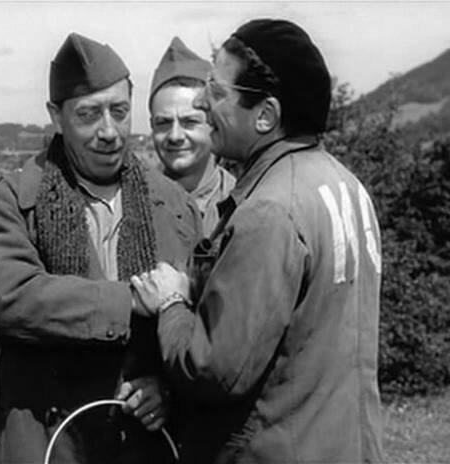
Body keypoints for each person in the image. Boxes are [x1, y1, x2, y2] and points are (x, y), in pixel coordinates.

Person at [130, 19, 384, 463]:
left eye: (216, 90)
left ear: (265, 115)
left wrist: (171, 303)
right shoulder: (346, 184)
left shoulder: (268, 211)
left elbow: (214, 369)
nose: (202, 101)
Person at [0, 32, 201, 463]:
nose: (109, 132)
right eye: (88, 114)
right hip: (47, 439)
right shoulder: (11, 200)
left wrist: (165, 388)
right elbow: (11, 298)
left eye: (119, 111)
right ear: (56, 118)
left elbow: (198, 321)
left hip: (141, 444)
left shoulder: (173, 204)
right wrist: (130, 299)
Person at [149, 37, 235, 236]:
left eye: (189, 122)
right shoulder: (133, 206)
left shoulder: (242, 204)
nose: (175, 136)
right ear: (151, 125)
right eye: (163, 123)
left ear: (213, 122)